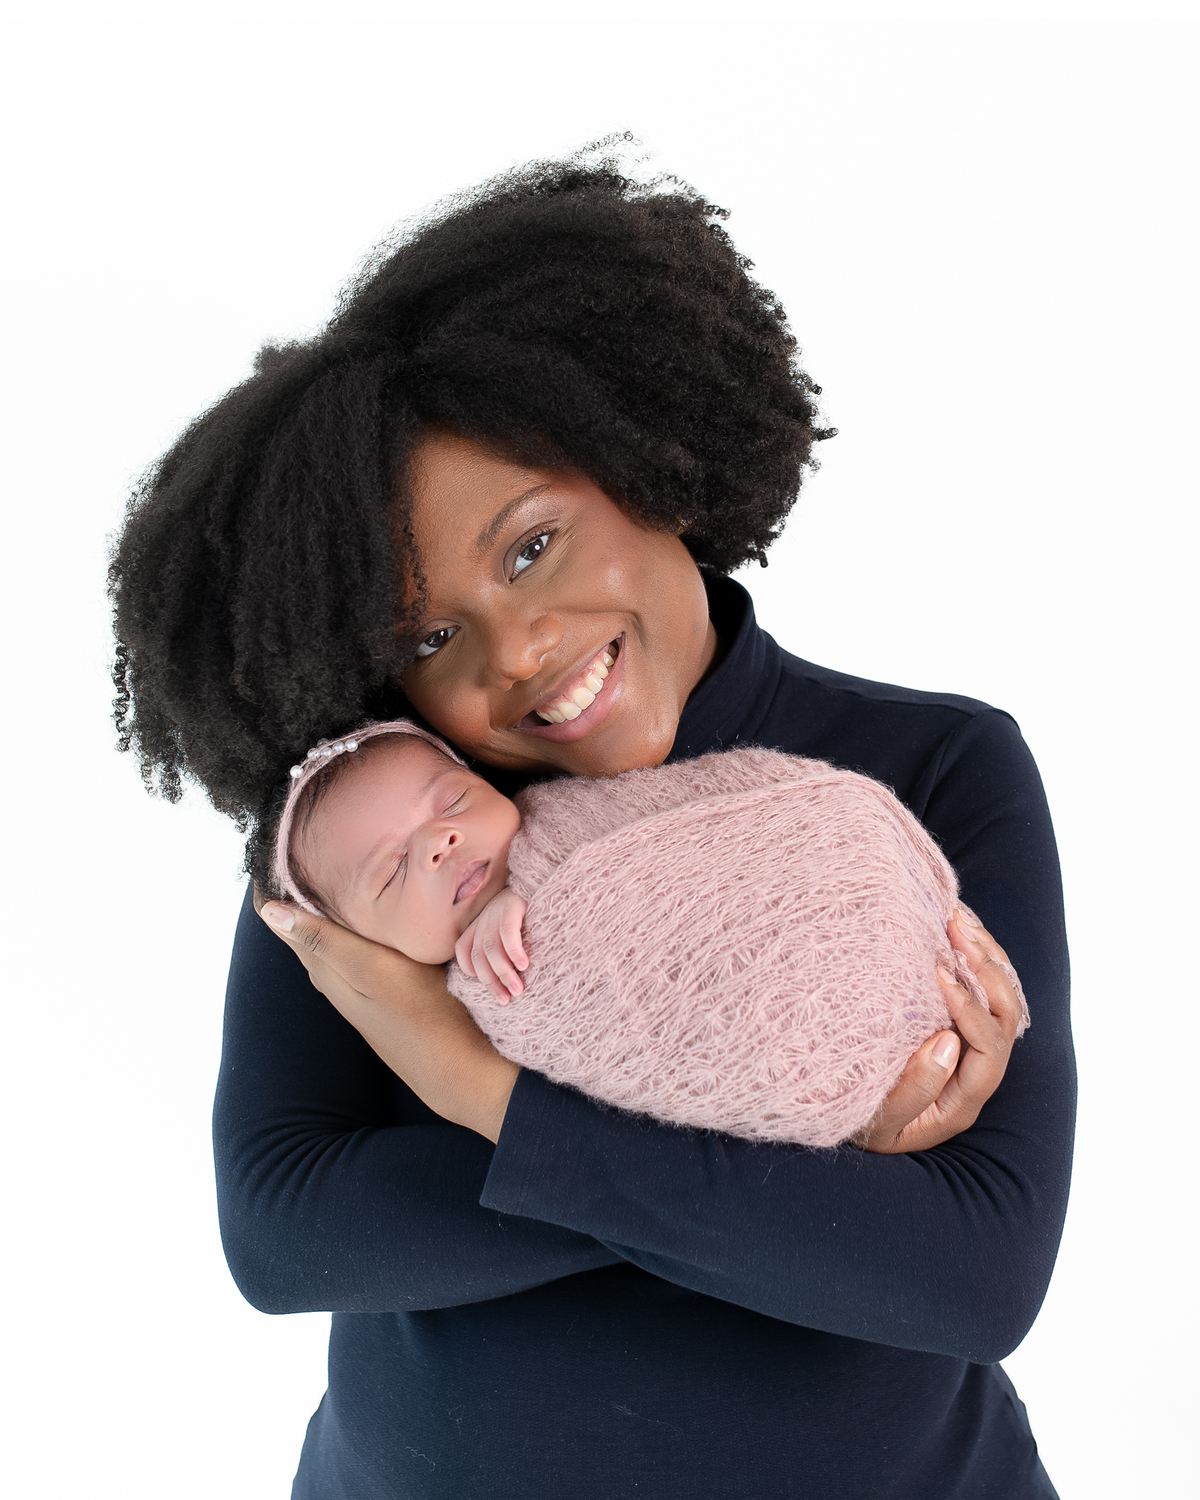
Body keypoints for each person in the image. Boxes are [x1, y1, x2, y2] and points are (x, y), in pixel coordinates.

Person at [108, 153, 1073, 1498]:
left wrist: (471, 1085)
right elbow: (285, 1235)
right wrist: (806, 1152)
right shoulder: (388, 824)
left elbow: (973, 1271)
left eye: (529, 547)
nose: (513, 649)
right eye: (433, 633)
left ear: (645, 455)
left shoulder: (934, 765)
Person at [270, 717, 1029, 1147]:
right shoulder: (420, 999)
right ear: (359, 943)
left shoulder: (560, 811)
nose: (437, 843)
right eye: (393, 871)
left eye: (453, 800)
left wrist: (527, 883)